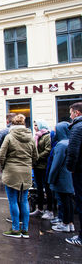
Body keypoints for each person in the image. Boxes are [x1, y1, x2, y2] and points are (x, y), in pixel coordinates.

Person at [0, 114, 38, 238]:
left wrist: (2, 166)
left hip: (11, 171)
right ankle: (25, 230)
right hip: (25, 171)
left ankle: (15, 229)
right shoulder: (31, 137)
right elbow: (35, 156)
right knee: (24, 200)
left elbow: (1, 155)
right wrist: (29, 164)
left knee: (13, 201)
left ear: (13, 124)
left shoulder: (9, 136)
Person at [48, 122, 75, 233]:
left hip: (62, 178)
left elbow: (56, 164)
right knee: (69, 201)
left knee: (64, 201)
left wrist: (50, 179)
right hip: (70, 177)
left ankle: (65, 223)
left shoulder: (61, 145)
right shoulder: (70, 142)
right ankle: (70, 223)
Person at [65, 102, 82, 247]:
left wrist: (70, 167)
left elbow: (73, 150)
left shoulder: (77, 127)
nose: (70, 116)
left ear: (77, 113)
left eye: (71, 113)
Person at [30, 120, 53, 220]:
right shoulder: (36, 136)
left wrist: (37, 157)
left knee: (47, 189)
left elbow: (48, 150)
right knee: (39, 188)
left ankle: (50, 210)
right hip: (37, 166)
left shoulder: (47, 136)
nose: (34, 127)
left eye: (36, 125)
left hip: (44, 166)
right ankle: (39, 209)